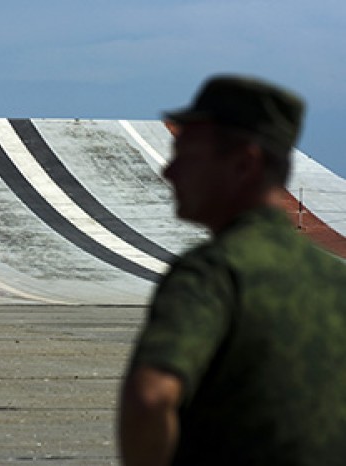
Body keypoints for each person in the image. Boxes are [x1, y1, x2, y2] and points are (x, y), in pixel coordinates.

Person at [118, 74, 346, 466]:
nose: (169, 173)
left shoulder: (213, 275)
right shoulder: (335, 279)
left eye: (187, 155)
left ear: (244, 163)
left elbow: (152, 396)